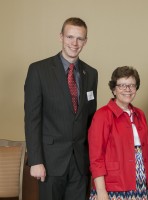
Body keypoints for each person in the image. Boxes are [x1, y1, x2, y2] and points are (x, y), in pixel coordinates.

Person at [24, 17, 98, 200]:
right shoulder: (38, 70)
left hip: (80, 164)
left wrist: (92, 162)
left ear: (85, 41)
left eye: (80, 38)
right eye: (70, 37)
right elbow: (32, 120)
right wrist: (36, 160)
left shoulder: (92, 73)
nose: (74, 43)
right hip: (49, 162)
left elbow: (90, 120)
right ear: (61, 37)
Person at [88, 66, 148, 200]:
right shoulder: (102, 115)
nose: (127, 90)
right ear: (114, 89)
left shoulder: (140, 114)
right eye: (122, 85)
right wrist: (101, 191)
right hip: (113, 186)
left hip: (140, 184)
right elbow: (96, 157)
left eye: (132, 85)